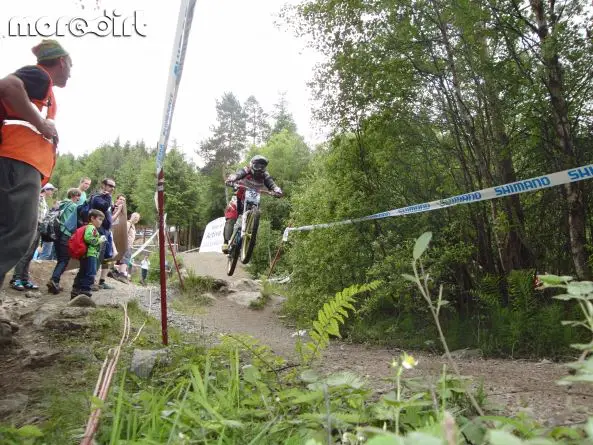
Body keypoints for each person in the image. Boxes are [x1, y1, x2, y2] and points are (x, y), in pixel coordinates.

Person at [0, 39, 72, 290]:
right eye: (70, 66)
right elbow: (7, 85)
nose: (71, 73)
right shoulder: (39, 76)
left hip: (15, 163)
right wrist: (43, 125)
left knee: (8, 233)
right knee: (19, 234)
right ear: (61, 62)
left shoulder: (42, 87)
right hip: (18, 162)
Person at [221, 155, 283, 253]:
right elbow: (238, 174)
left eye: (262, 167)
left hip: (254, 200)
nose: (260, 169)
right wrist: (231, 179)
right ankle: (225, 242)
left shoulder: (265, 175)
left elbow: (271, 183)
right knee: (231, 217)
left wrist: (276, 190)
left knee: (257, 215)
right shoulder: (247, 169)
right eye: (257, 166)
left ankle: (249, 239)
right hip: (239, 197)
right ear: (252, 164)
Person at [9, 182, 57, 291]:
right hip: (32, 227)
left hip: (39, 228)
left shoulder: (44, 200)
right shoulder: (38, 198)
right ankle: (16, 279)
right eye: (51, 189)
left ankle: (24, 278)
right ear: (45, 190)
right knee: (26, 253)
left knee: (30, 254)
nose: (52, 192)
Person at [47, 187, 81, 294]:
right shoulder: (74, 206)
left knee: (60, 259)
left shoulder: (62, 204)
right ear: (74, 196)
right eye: (78, 196)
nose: (79, 198)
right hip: (66, 235)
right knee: (64, 260)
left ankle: (54, 281)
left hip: (57, 234)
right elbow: (73, 223)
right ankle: (54, 280)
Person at [88, 178, 116, 290]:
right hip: (98, 230)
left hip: (107, 230)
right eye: (110, 185)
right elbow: (103, 207)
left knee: (108, 256)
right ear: (103, 185)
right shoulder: (96, 197)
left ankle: (102, 281)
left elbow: (108, 211)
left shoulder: (107, 198)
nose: (112, 188)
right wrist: (108, 198)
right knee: (97, 255)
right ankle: (91, 281)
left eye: (114, 187)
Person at [71, 209, 105, 299]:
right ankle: (85, 292)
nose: (101, 222)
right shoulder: (91, 228)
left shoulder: (89, 227)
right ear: (92, 218)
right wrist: (99, 240)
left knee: (83, 272)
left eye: (102, 220)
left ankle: (76, 290)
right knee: (91, 273)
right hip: (91, 254)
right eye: (99, 219)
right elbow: (88, 238)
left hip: (86, 254)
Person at [115, 212, 140, 280]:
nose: (136, 219)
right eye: (135, 217)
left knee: (124, 258)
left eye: (137, 218)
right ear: (131, 216)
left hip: (129, 245)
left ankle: (120, 272)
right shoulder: (128, 224)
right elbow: (124, 234)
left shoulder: (133, 225)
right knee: (126, 259)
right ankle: (122, 274)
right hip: (126, 245)